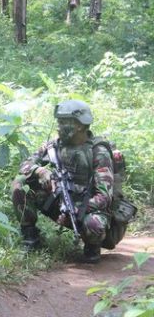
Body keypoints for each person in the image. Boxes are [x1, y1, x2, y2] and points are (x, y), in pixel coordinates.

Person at [10, 100, 114, 263]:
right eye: (58, 121)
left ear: (79, 126)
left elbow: (104, 197)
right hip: (58, 203)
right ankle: (30, 239)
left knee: (94, 225)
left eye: (62, 122)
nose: (58, 126)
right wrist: (41, 171)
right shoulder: (53, 145)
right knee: (20, 183)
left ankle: (92, 247)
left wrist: (77, 211)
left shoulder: (98, 151)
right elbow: (25, 165)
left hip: (86, 210)